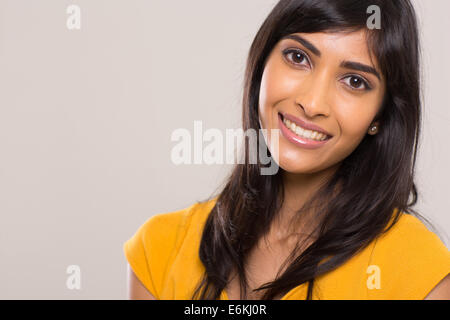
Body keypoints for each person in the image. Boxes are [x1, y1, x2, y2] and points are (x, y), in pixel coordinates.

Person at [124, 0, 450, 300]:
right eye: (298, 57)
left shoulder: (421, 276)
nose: (311, 104)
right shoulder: (159, 252)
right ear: (262, 63)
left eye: (354, 81)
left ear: (379, 116)